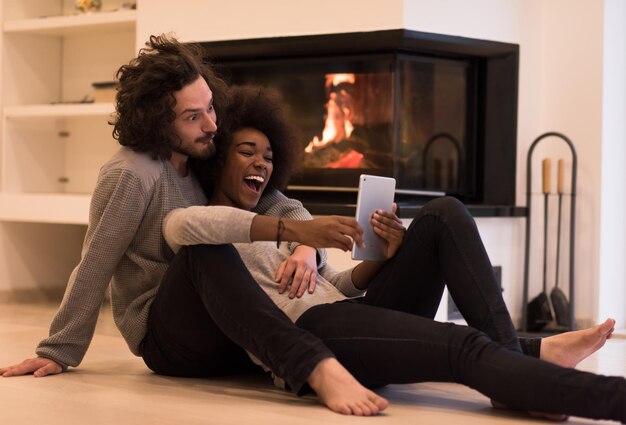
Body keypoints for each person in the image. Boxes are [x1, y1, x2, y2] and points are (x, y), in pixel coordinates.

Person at [163, 84, 625, 422]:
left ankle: (518, 372)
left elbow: (337, 288)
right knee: (460, 344)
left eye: (268, 156)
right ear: (217, 161)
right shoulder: (201, 228)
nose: (262, 164)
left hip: (347, 315)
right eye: (247, 152)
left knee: (443, 213)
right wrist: (302, 233)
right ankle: (597, 394)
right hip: (315, 334)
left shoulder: (280, 225)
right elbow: (186, 229)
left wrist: (383, 256)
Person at [0, 34, 391, 415]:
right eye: (193, 116)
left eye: (209, 107)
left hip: (220, 317)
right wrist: (57, 351)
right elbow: (95, 263)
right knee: (204, 250)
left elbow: (279, 205)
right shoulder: (131, 174)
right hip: (167, 333)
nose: (211, 124)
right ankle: (313, 366)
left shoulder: (201, 155)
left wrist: (307, 246)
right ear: (158, 124)